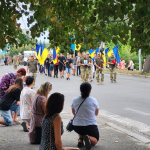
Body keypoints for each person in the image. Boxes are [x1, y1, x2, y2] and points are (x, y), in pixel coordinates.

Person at [71, 83, 99, 150]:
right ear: (90, 91)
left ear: (80, 90)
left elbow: (74, 113)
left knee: (80, 120)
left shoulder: (74, 100)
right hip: (91, 126)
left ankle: (80, 139)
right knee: (95, 141)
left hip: (77, 126)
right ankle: (88, 137)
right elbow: (96, 113)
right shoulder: (93, 100)